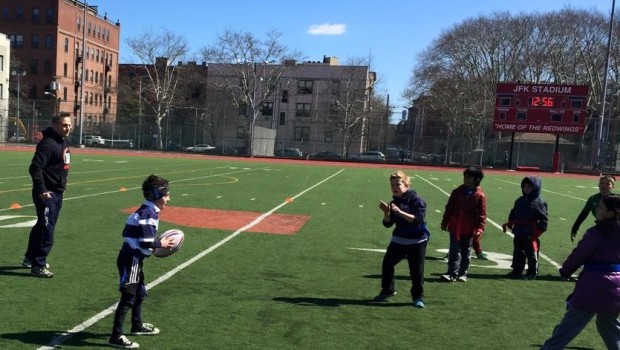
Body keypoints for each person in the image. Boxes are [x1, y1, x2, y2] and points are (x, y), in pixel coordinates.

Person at [540, 194, 620, 349]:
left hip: (593, 286)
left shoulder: (595, 233)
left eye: (600, 207)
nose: (597, 209)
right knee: (609, 326)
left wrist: (565, 271)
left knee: (568, 327)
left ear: (611, 213)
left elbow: (579, 255)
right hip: (616, 289)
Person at [109, 175, 175, 349]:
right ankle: (116, 336)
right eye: (166, 194)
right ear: (157, 195)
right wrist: (160, 244)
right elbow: (146, 240)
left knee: (139, 293)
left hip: (134, 257)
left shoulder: (148, 210)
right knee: (129, 296)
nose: (168, 198)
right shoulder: (148, 213)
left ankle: (137, 325)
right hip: (131, 258)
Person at [22, 115, 72, 278]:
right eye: (65, 125)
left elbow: (62, 165)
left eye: (70, 125)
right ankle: (39, 264)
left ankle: (30, 257)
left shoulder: (62, 141)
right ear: (55, 125)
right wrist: (43, 190)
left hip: (56, 192)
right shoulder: (48, 144)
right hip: (47, 194)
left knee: (42, 225)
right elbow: (35, 168)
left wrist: (63, 183)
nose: (68, 128)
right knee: (47, 228)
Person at [373, 171, 430, 308]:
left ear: (406, 184)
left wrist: (400, 212)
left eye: (398, 184)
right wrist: (387, 213)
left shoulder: (417, 200)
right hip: (399, 239)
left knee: (416, 270)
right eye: (392, 185)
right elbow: (388, 224)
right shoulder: (394, 202)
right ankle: (388, 290)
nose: (394, 187)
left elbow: (417, 220)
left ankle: (417, 297)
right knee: (387, 264)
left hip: (417, 241)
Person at [440, 166, 487, 282]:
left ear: (476, 179)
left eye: (469, 177)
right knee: (454, 250)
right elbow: (449, 208)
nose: (466, 179)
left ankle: (463, 273)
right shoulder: (457, 192)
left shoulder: (480, 196)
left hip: (469, 227)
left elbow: (482, 214)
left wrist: (480, 229)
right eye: (465, 176)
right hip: (455, 226)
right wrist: (445, 222)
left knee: (466, 251)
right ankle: (451, 273)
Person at [502, 176, 548, 280]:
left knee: (531, 253)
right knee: (518, 252)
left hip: (531, 232)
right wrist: (510, 222)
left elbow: (543, 218)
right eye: (524, 187)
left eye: (529, 187)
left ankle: (532, 272)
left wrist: (539, 230)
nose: (526, 189)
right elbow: (513, 212)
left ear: (535, 188)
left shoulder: (538, 202)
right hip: (519, 230)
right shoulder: (519, 200)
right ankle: (517, 270)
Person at [570, 174, 615, 242]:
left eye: (608, 184)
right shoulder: (593, 199)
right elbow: (583, 214)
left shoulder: (616, 200)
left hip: (614, 230)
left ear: (613, 186)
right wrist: (574, 229)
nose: (604, 185)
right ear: (598, 185)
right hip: (600, 228)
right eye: (602, 183)